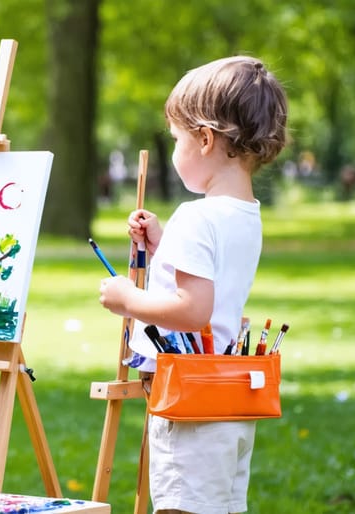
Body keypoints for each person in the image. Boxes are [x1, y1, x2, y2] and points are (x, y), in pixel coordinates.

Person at [99, 56, 288, 514]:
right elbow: (210, 280)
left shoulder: (197, 216)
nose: (174, 151)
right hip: (230, 400)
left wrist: (130, 299)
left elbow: (192, 310)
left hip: (193, 403)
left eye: (176, 139)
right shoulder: (245, 214)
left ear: (204, 139)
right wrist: (165, 245)